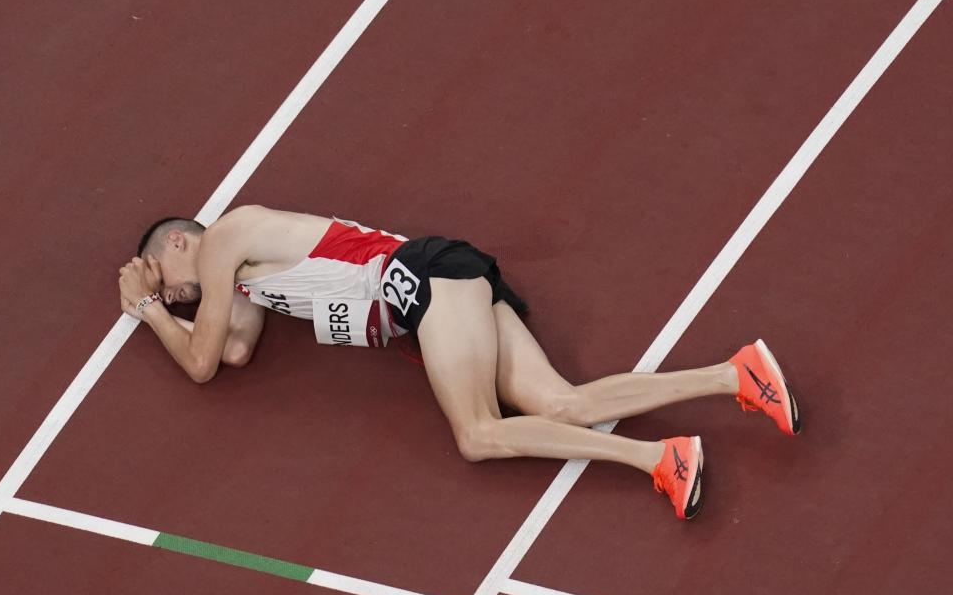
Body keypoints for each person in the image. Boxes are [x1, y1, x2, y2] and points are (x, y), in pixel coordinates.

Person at [118, 205, 800, 520]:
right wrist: (168, 301)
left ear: (182, 241)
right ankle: (735, 374)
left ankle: (661, 458)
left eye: (172, 276)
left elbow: (201, 360)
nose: (179, 294)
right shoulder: (239, 281)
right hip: (439, 286)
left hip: (426, 282)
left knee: (478, 434)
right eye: (173, 294)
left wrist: (147, 308)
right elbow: (232, 348)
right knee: (561, 402)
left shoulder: (225, 237)